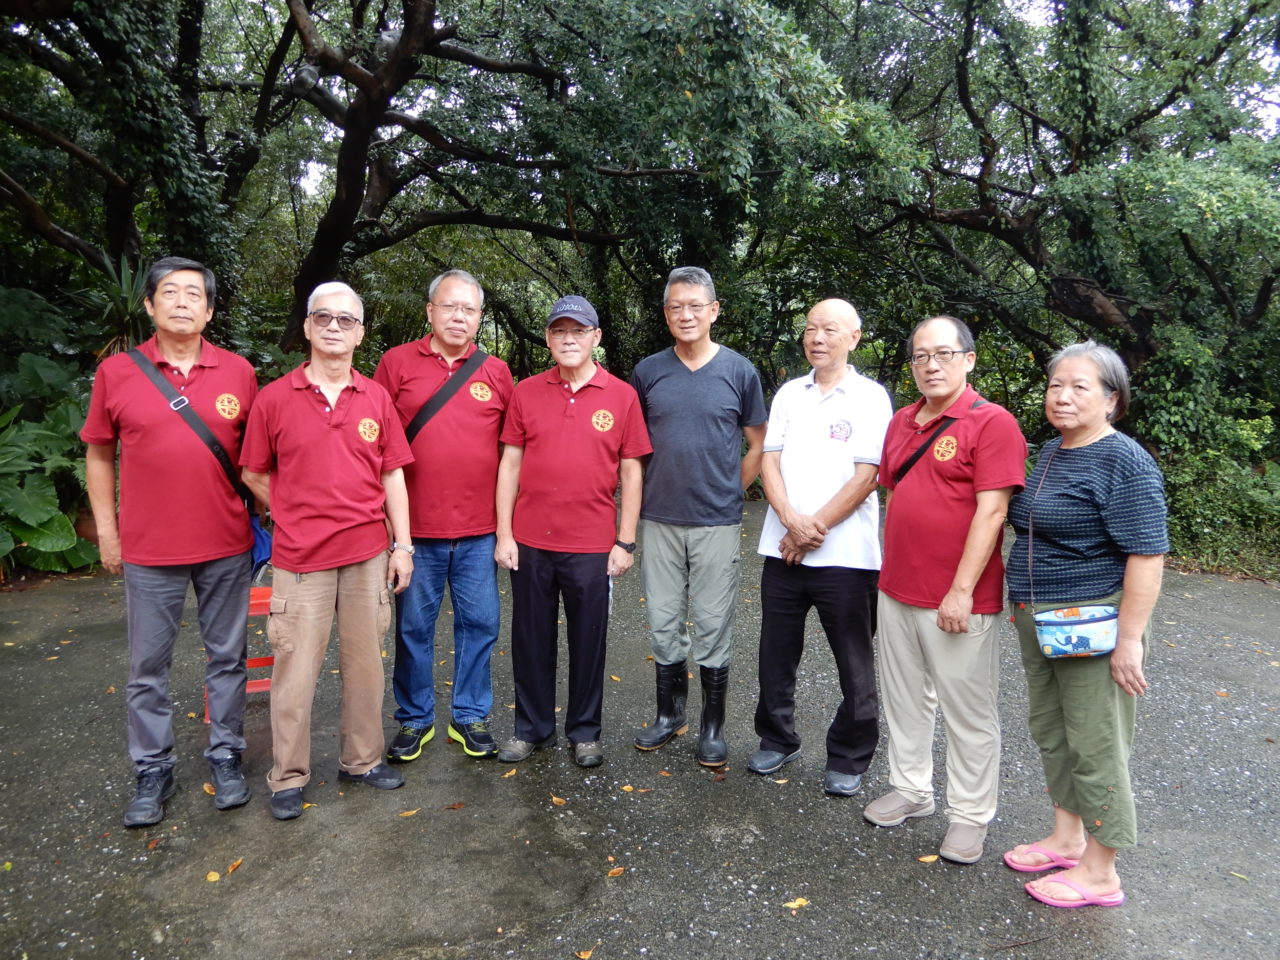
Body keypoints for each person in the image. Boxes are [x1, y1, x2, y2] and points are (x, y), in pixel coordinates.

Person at [82, 256, 258, 827]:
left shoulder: (238, 373)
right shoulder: (117, 373)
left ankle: (227, 752)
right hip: (149, 547)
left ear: (209, 310)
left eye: (194, 295)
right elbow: (100, 453)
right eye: (170, 292)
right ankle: (152, 768)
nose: (182, 301)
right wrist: (108, 533)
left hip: (225, 541)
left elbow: (257, 460)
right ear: (150, 304)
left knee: (227, 658)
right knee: (146, 666)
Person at [240, 282, 414, 821]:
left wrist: (403, 546)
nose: (334, 327)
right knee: (295, 670)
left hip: (367, 554)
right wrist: (290, 512)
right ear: (308, 328)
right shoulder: (275, 398)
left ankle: (361, 760)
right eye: (324, 318)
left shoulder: (376, 398)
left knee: (365, 666)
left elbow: (393, 475)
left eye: (346, 319)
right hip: (300, 560)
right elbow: (252, 471)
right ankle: (288, 775)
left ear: (361, 333)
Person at [1002, 341, 1168, 908]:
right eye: (1055, 385)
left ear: (1111, 400)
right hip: (1039, 617)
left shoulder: (1124, 460)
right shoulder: (1052, 452)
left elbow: (1147, 555)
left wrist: (1129, 642)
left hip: (1093, 622)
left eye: (1079, 387)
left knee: (1096, 743)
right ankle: (1067, 837)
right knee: (1053, 731)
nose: (1063, 396)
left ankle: (1102, 870)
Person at [867, 315, 1027, 864]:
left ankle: (970, 815)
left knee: (968, 710)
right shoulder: (902, 421)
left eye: (943, 354)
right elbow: (895, 492)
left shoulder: (993, 423)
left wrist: (960, 590)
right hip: (896, 588)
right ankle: (912, 789)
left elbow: (993, 512)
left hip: (959, 598)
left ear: (969, 359)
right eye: (920, 356)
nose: (931, 365)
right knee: (905, 699)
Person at [494, 295, 651, 768]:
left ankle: (585, 731)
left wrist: (625, 541)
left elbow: (631, 472)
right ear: (547, 339)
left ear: (595, 338)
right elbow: (510, 464)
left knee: (589, 640)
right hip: (531, 541)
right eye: (559, 331)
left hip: (592, 544)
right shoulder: (526, 392)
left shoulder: (621, 395)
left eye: (578, 331)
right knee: (530, 639)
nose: (568, 339)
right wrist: (504, 533)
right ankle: (532, 729)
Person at [745, 299, 892, 796]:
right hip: (782, 548)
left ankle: (850, 754)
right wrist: (789, 520)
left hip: (846, 556)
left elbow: (868, 475)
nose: (817, 337)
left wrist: (813, 528)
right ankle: (777, 737)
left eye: (830, 329)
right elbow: (769, 460)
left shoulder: (871, 397)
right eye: (810, 328)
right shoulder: (790, 393)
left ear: (854, 337)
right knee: (775, 651)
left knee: (854, 661)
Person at [374, 270, 514, 762]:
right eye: (450, 307)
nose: (459, 317)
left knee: (480, 624)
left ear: (479, 318)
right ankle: (413, 719)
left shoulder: (496, 372)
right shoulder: (396, 364)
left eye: (469, 310)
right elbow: (375, 445)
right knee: (414, 628)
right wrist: (393, 533)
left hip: (479, 532)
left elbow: (510, 454)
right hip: (418, 532)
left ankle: (470, 715)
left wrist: (507, 529)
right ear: (430, 312)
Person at [630, 266, 766, 766]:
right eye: (675, 307)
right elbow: (633, 448)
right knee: (663, 622)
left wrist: (733, 488)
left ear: (713, 311)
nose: (685, 315)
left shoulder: (738, 371)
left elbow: (758, 442)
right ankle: (671, 715)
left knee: (712, 623)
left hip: (717, 520)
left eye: (695, 306)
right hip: (660, 517)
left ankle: (712, 724)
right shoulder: (648, 372)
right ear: (666, 314)